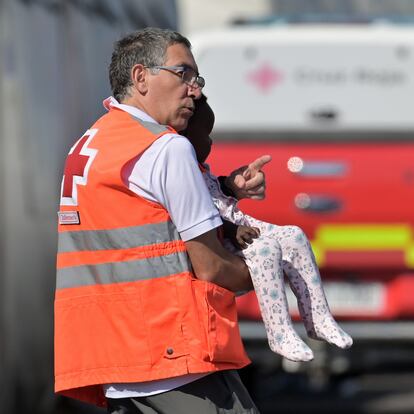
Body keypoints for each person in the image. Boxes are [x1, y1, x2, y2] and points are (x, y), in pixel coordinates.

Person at [55, 28, 269, 413]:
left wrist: (226, 189)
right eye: (183, 74)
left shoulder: (90, 143)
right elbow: (212, 268)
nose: (195, 90)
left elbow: (138, 229)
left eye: (197, 79)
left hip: (118, 365)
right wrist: (269, 271)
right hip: (176, 359)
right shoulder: (166, 147)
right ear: (140, 77)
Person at [183, 94, 353, 362]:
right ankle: (279, 333)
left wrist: (231, 185)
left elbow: (215, 192)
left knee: (294, 235)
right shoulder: (181, 168)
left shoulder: (199, 168)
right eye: (207, 135)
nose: (211, 142)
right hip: (221, 238)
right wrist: (229, 230)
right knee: (266, 250)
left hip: (237, 225)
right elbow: (193, 212)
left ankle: (317, 318)